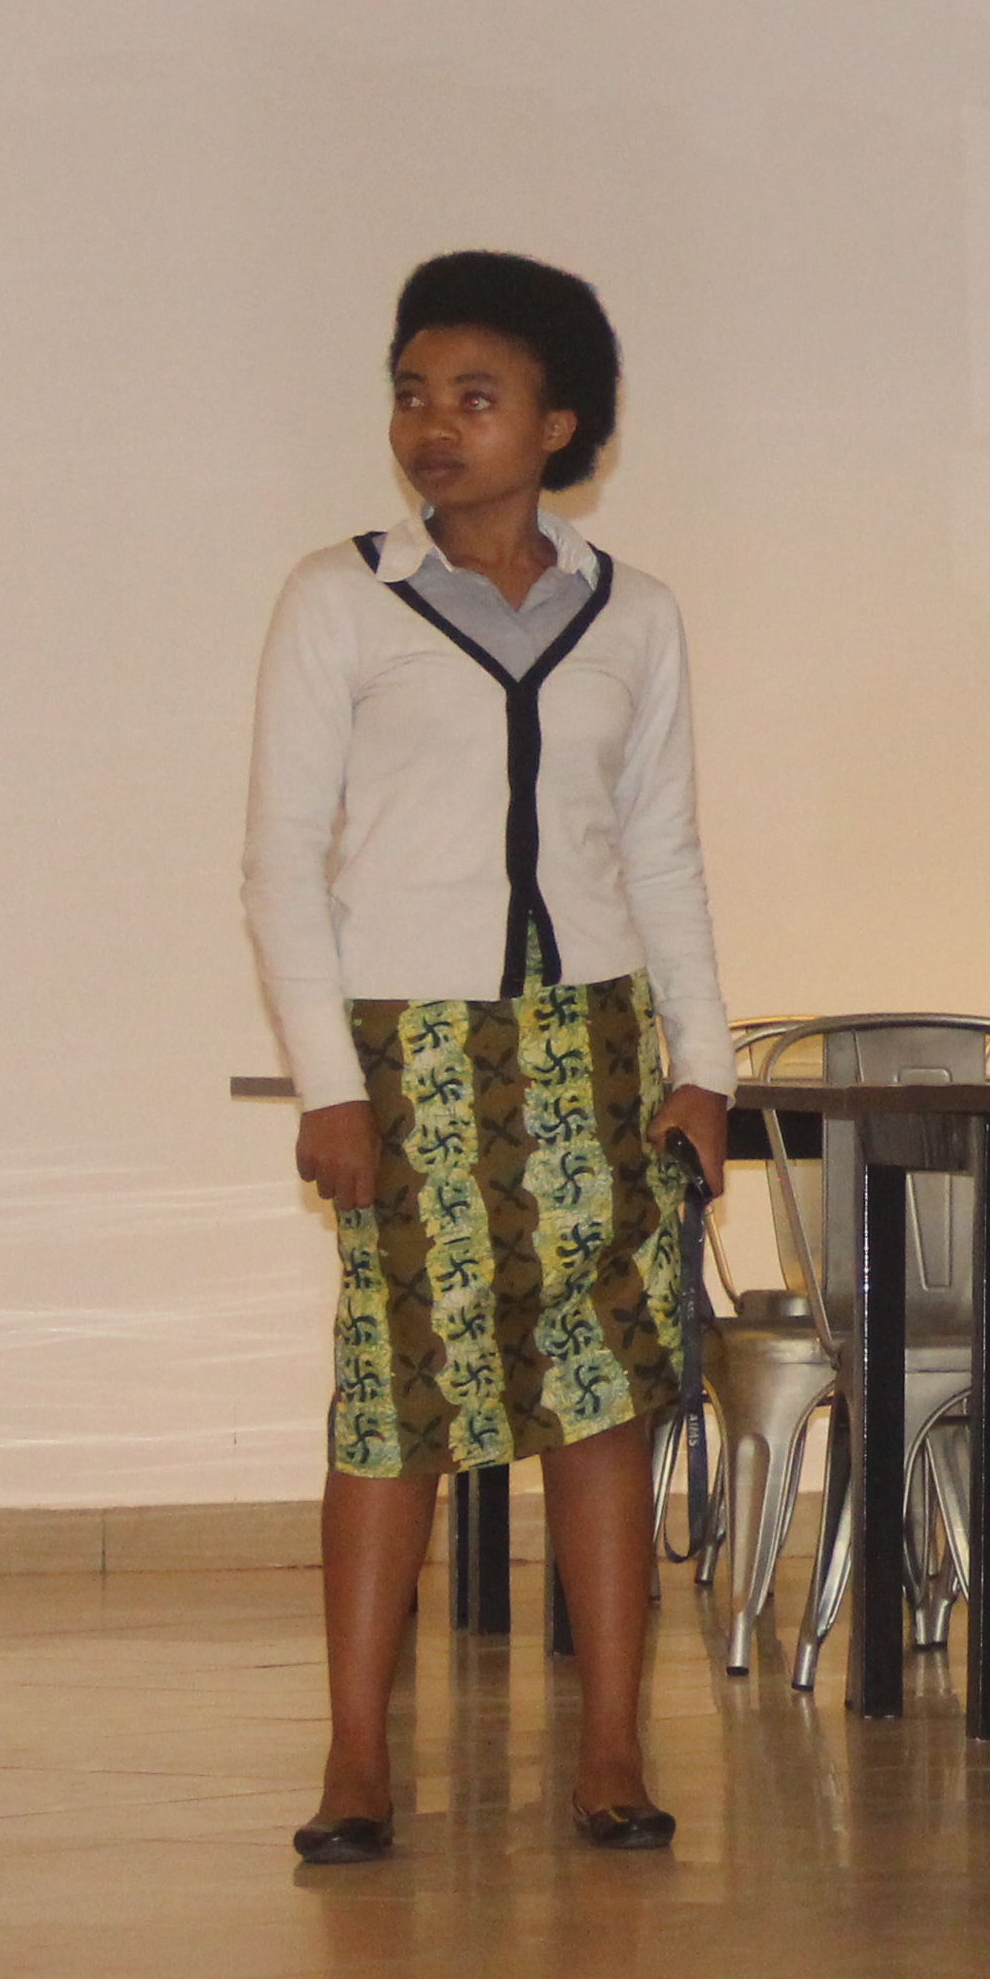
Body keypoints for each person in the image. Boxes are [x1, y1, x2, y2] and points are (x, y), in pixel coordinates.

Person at [243, 252, 733, 1864]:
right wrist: (326, 1081)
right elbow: (278, 861)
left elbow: (662, 853)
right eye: (410, 392)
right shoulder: (342, 598)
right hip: (409, 1051)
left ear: (560, 420)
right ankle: (356, 1762)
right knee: (392, 1401)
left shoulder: (632, 614)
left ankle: (609, 1753)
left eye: (474, 396)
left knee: (599, 1402)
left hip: (591, 1043)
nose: (431, 426)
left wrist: (702, 1066)